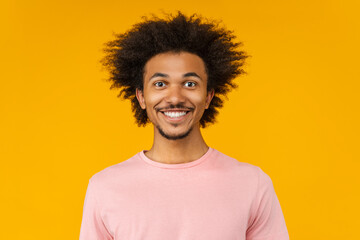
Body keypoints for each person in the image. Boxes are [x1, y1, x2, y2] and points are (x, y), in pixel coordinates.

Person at [79, 12, 289, 240]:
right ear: (141, 97)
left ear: (208, 96)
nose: (175, 97)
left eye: (190, 83)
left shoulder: (253, 184)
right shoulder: (105, 187)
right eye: (160, 84)